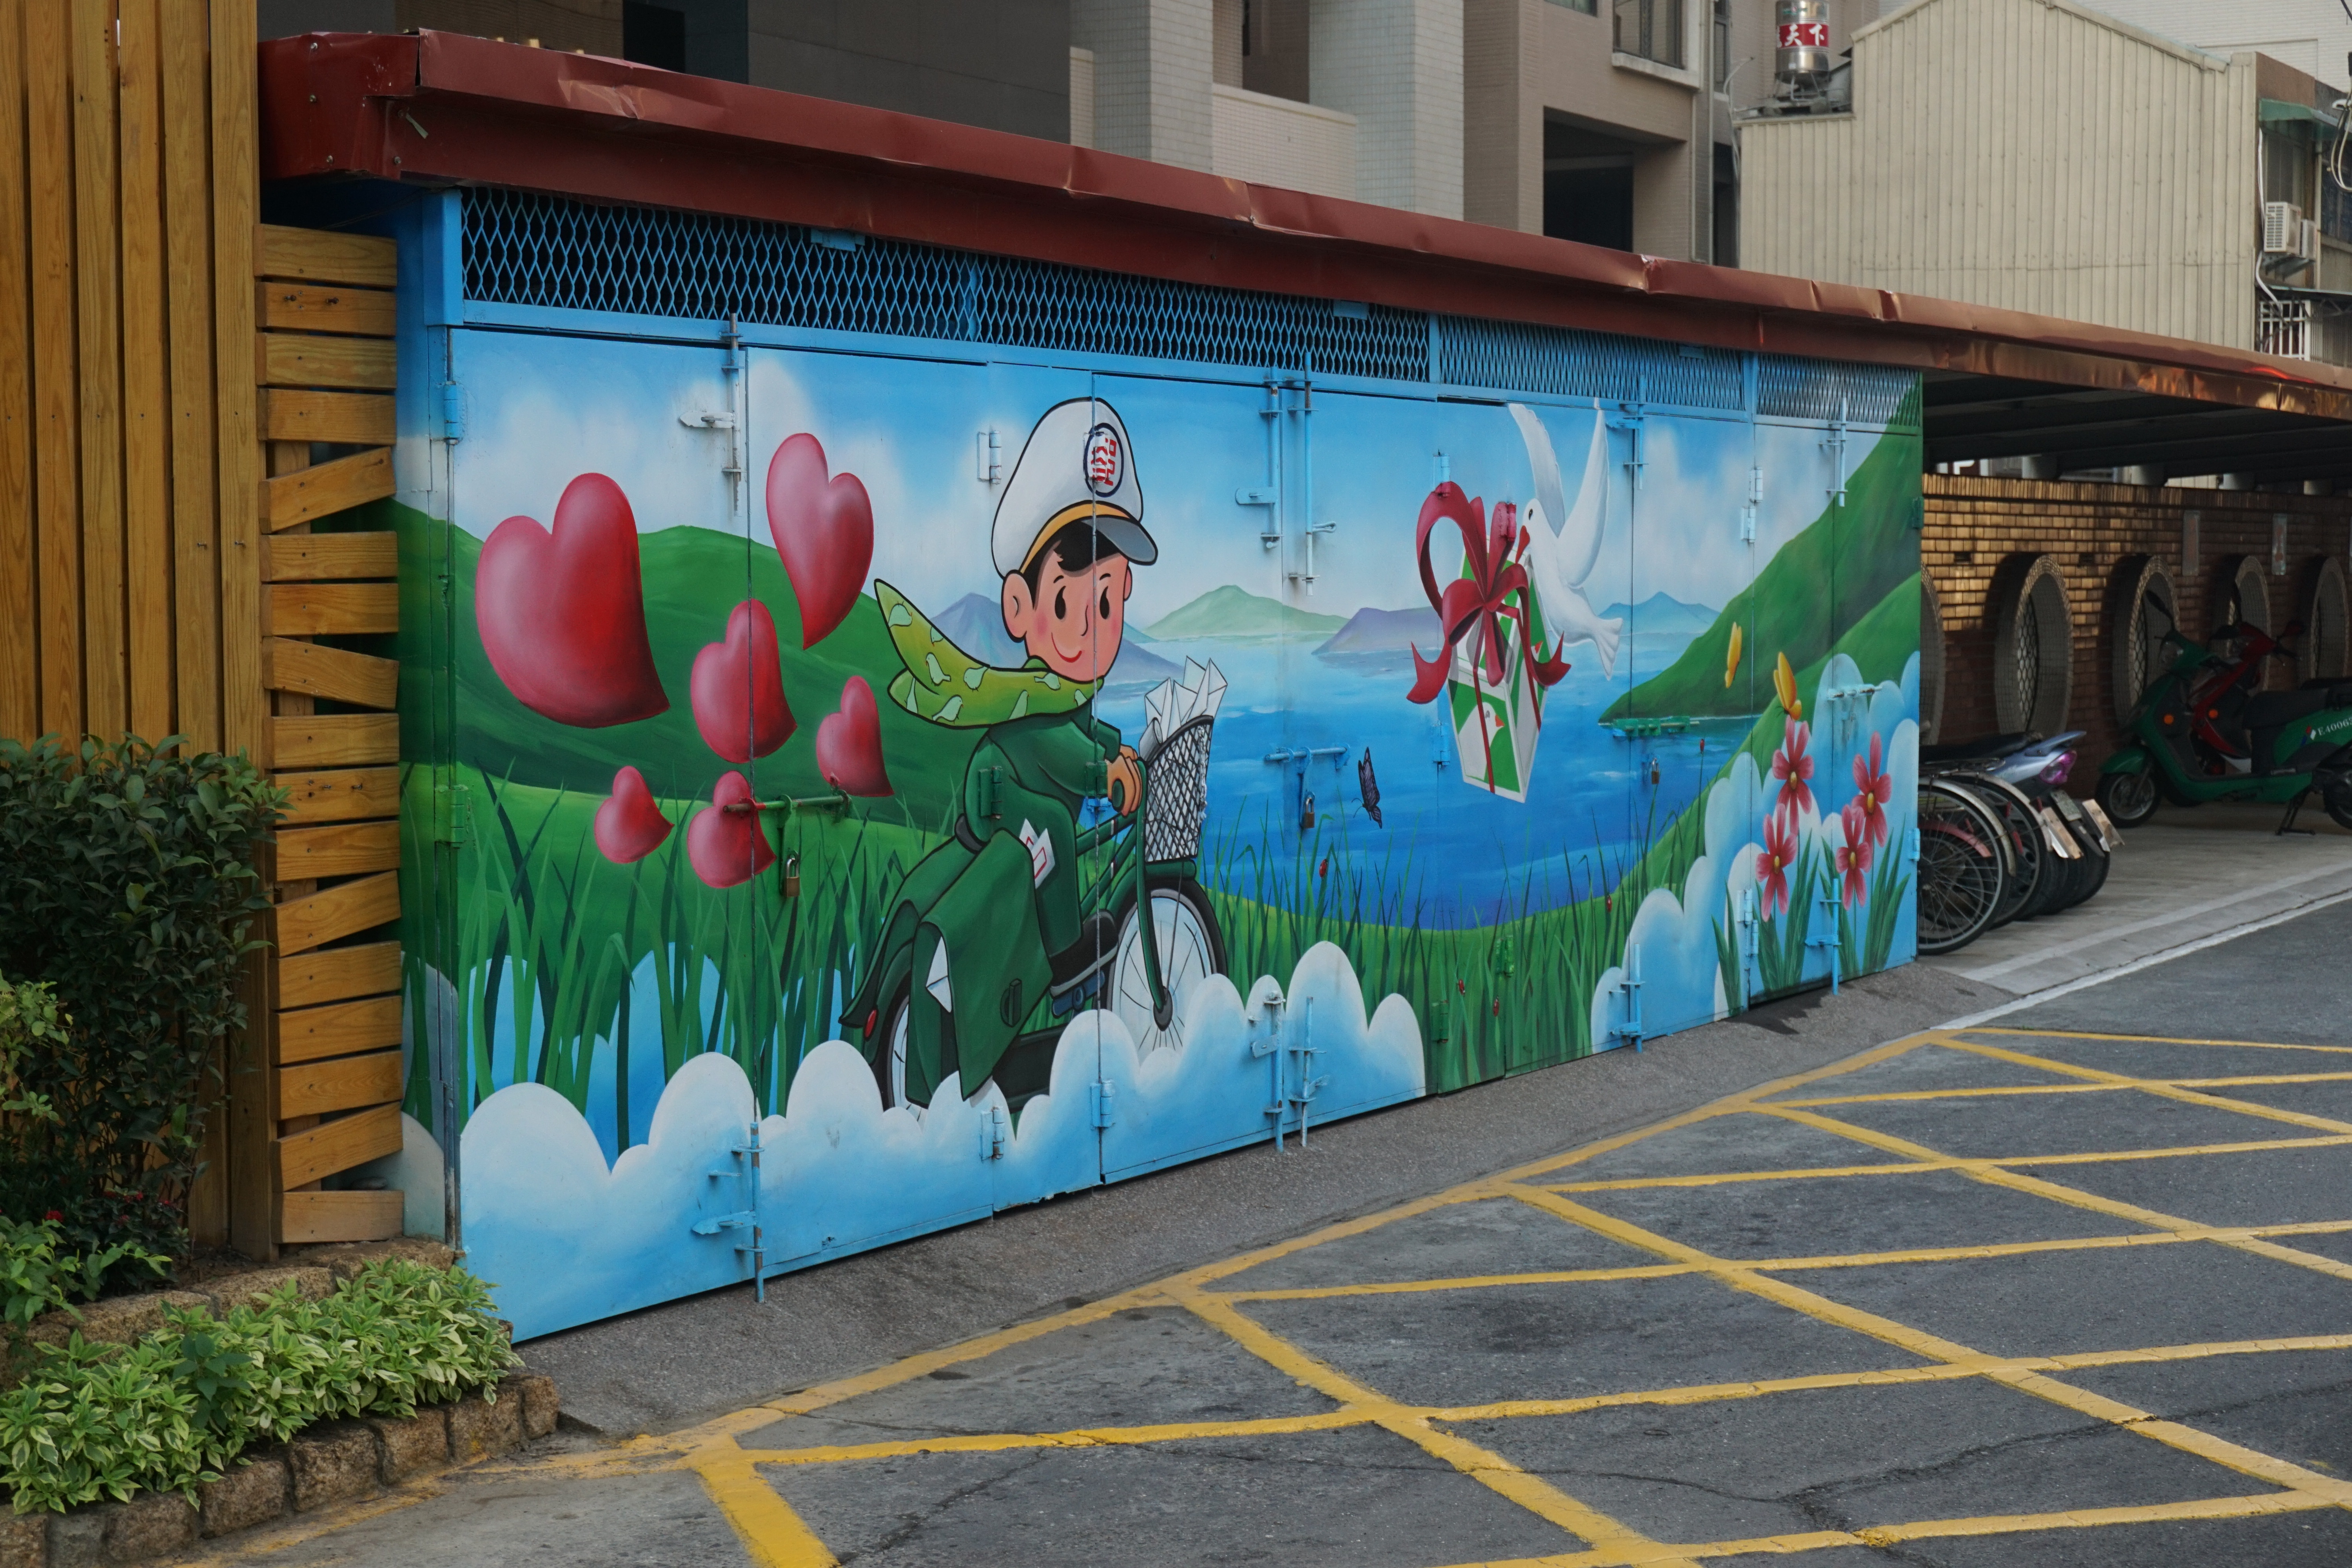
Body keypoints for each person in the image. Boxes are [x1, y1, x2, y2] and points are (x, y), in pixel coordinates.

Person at [847, 399, 1156, 1107]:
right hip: (1001, 800)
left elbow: (1081, 730)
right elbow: (1058, 747)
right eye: (1069, 602)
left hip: (1013, 789)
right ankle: (1065, 954)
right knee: (1055, 832)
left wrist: (1116, 749)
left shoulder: (1061, 693)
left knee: (1056, 831)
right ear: (1018, 607)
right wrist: (1103, 771)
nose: (1091, 627)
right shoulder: (1029, 699)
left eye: (1106, 603)